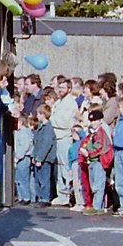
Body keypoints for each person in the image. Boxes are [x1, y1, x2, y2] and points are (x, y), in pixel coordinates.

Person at [50, 76, 79, 206]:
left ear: (69, 89)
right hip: (56, 138)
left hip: (64, 138)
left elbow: (65, 122)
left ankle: (68, 196)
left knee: (66, 169)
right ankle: (61, 195)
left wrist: (52, 120)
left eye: (63, 88)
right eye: (59, 87)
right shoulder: (58, 102)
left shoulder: (70, 103)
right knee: (59, 169)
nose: (60, 90)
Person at [79, 107, 113, 214]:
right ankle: (99, 206)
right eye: (91, 121)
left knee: (98, 185)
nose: (93, 123)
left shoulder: (101, 133)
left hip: (99, 161)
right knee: (94, 184)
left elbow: (100, 147)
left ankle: (97, 206)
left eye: (95, 120)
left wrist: (88, 153)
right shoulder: (92, 134)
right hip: (92, 161)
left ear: (100, 121)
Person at [31, 103, 56, 206]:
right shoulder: (41, 127)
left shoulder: (48, 128)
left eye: (38, 113)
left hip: (45, 159)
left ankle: (45, 199)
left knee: (44, 179)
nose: (37, 116)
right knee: (38, 178)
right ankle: (40, 197)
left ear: (43, 114)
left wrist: (40, 158)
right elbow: (36, 144)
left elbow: (46, 144)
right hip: (38, 157)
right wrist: (34, 156)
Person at [14, 114, 34, 205]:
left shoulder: (24, 132)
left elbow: (24, 146)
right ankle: (21, 196)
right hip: (21, 158)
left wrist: (18, 157)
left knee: (23, 178)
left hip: (23, 158)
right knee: (19, 178)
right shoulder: (20, 132)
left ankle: (26, 197)